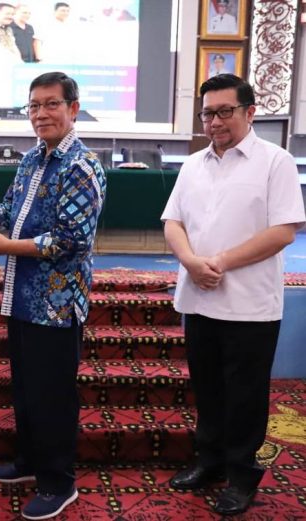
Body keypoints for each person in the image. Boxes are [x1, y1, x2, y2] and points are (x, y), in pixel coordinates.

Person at [162, 74, 305, 516]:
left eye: (225, 111)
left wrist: (219, 262)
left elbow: (284, 230)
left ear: (250, 112)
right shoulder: (193, 164)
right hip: (198, 298)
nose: (215, 121)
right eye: (208, 113)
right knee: (207, 390)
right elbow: (173, 222)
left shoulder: (275, 161)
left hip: (249, 305)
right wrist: (191, 262)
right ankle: (210, 463)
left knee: (245, 397)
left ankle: (242, 477)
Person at [0, 72, 106, 520]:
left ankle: (58, 482)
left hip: (57, 305)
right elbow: (10, 211)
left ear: (73, 108)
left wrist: (6, 247)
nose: (40, 113)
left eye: (51, 104)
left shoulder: (81, 166)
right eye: (33, 105)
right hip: (23, 298)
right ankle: (30, 461)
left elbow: (71, 241)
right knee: (28, 389)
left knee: (53, 396)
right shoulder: (31, 159)